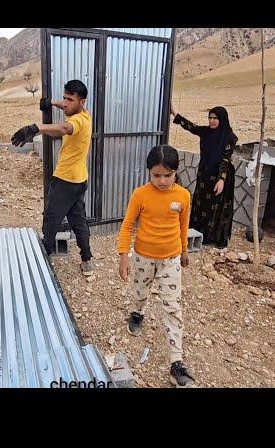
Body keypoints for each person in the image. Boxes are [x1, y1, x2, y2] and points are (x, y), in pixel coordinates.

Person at [117, 145, 195, 388]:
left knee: (172, 307)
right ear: (149, 172)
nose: (162, 180)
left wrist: (183, 250)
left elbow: (184, 226)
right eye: (156, 175)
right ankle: (137, 313)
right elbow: (128, 225)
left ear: (176, 172)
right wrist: (124, 255)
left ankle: (176, 362)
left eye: (167, 175)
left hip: (171, 259)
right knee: (140, 293)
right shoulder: (140, 194)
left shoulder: (183, 196)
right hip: (143, 257)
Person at [11, 79, 94, 275]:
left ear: (82, 102)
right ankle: (87, 260)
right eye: (64, 98)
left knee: (51, 220)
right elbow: (64, 105)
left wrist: (36, 128)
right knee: (78, 220)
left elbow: (65, 128)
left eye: (69, 100)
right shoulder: (85, 115)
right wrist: (51, 103)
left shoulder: (78, 121)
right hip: (79, 180)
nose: (65, 103)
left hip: (65, 181)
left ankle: (43, 262)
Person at [171, 105, 238, 248]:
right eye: (210, 118)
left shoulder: (229, 137)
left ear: (222, 119)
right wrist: (174, 112)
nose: (212, 121)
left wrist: (221, 179)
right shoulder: (206, 132)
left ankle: (215, 236)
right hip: (205, 174)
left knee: (217, 207)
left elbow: (226, 159)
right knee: (202, 204)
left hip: (220, 176)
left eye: (215, 118)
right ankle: (200, 233)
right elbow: (191, 127)